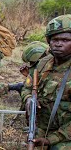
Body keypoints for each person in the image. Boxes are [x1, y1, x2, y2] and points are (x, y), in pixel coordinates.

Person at [22, 15, 71, 149]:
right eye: (54, 39)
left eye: (65, 40)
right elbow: (27, 86)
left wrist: (51, 140)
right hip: (43, 126)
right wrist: (28, 98)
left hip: (65, 133)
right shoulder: (43, 63)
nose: (58, 44)